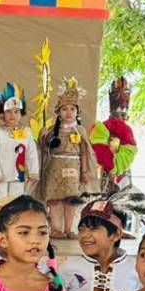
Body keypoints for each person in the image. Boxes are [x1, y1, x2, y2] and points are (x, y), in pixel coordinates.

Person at [38, 77, 97, 239]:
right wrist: (42, 138)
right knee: (55, 200)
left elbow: (84, 151)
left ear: (77, 112)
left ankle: (69, 229)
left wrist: (84, 171)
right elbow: (45, 149)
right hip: (55, 166)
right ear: (58, 112)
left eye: (72, 109)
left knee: (71, 200)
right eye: (65, 109)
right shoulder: (51, 130)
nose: (69, 112)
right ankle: (55, 228)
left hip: (74, 166)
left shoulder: (80, 131)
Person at [0, 82, 40, 201]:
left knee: (16, 203)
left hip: (18, 175)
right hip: (1, 176)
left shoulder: (27, 131)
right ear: (2, 114)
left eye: (16, 111)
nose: (13, 115)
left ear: (21, 113)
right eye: (9, 112)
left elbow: (31, 153)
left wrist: (33, 171)